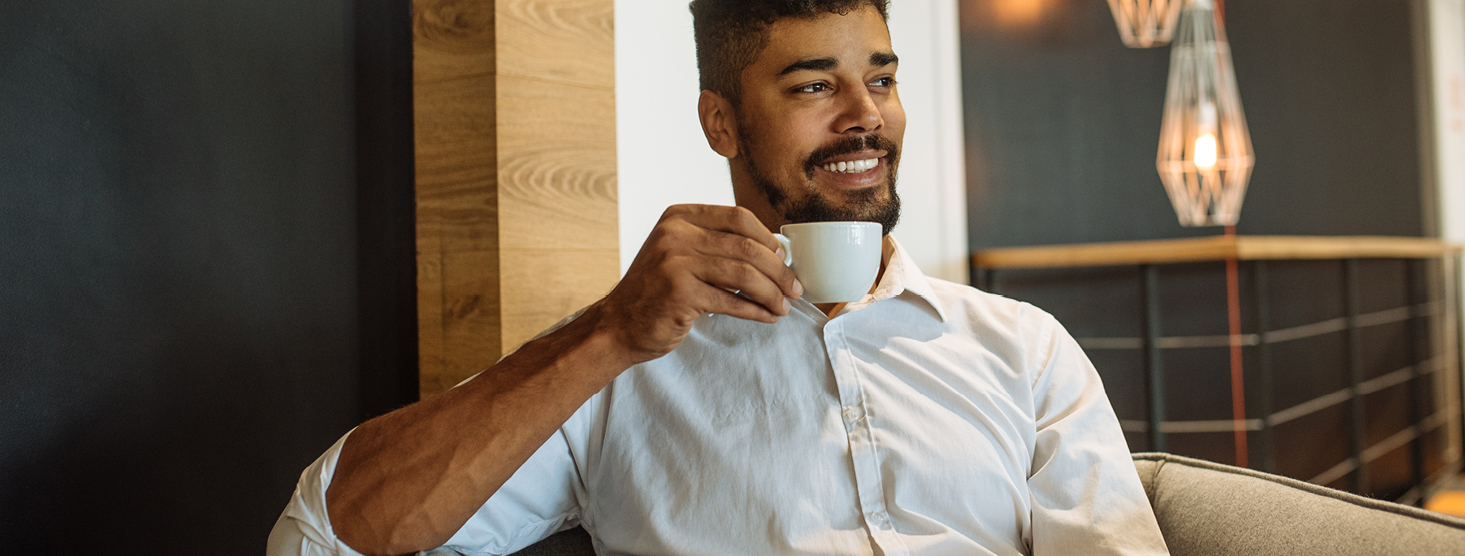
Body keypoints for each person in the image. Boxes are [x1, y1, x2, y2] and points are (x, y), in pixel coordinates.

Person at [268, 0, 1169, 554]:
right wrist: (607, 333)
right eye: (816, 87)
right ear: (722, 123)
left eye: (881, 80)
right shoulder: (621, 369)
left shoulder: (1023, 349)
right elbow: (324, 537)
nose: (866, 118)